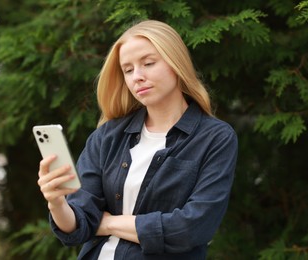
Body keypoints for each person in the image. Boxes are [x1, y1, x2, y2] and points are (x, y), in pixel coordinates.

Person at [37, 20, 238, 260]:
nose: (137, 77)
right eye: (128, 70)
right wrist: (57, 203)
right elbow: (79, 226)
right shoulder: (106, 137)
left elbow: (192, 228)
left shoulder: (215, 138)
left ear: (176, 64)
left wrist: (109, 224)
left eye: (149, 63)